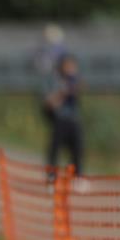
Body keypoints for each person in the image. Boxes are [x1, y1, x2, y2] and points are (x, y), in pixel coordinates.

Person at [42, 53, 83, 183]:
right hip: (60, 119)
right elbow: (49, 103)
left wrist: (74, 88)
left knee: (77, 149)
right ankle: (51, 175)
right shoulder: (54, 81)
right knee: (55, 148)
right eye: (68, 66)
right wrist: (62, 94)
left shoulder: (74, 80)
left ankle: (77, 176)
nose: (71, 69)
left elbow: (80, 88)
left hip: (73, 119)